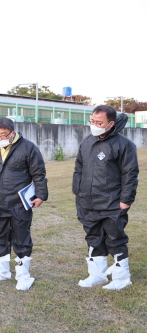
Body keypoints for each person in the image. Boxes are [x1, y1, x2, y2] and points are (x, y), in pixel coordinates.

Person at [73, 105, 138, 290]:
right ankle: (97, 275)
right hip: (88, 201)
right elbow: (79, 167)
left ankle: (121, 278)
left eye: (99, 122)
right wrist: (78, 191)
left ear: (110, 123)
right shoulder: (86, 142)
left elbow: (130, 174)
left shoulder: (124, 145)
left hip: (112, 202)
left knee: (115, 238)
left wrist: (126, 200)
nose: (94, 125)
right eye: (92, 121)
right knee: (93, 238)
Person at [0, 117, 48, 290]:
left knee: (21, 236)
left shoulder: (28, 147)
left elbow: (39, 174)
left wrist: (41, 195)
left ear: (12, 133)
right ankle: (2, 272)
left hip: (19, 202)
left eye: (3, 134)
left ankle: (23, 275)